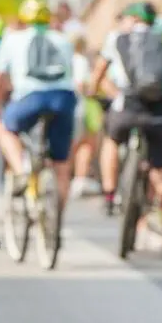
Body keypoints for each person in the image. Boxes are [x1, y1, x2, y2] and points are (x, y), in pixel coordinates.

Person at [89, 1, 162, 258]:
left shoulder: (116, 39)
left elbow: (98, 75)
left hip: (127, 107)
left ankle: (110, 193)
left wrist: (95, 92)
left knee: (112, 141)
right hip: (156, 114)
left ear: (132, 19)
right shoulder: (161, 42)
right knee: (161, 175)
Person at [0, 0, 76, 210]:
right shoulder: (63, 39)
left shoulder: (12, 39)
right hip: (63, 98)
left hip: (29, 97)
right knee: (61, 163)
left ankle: (21, 169)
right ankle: (56, 223)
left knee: (4, 128)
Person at [69, 32, 103, 198]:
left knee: (70, 144)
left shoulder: (63, 57)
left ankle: (64, 177)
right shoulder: (80, 60)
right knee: (85, 144)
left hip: (66, 106)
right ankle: (79, 179)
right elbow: (82, 84)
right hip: (81, 105)